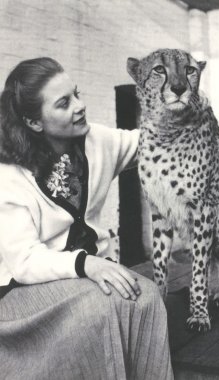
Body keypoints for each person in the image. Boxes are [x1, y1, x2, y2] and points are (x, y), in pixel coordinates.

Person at [0, 57, 173, 380]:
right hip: (18, 293)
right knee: (100, 306)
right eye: (64, 103)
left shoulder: (98, 141)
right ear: (34, 122)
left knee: (145, 296)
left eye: (77, 94)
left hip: (83, 277)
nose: (80, 107)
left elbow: (148, 144)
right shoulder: (9, 175)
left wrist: (183, 108)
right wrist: (86, 264)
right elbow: (23, 261)